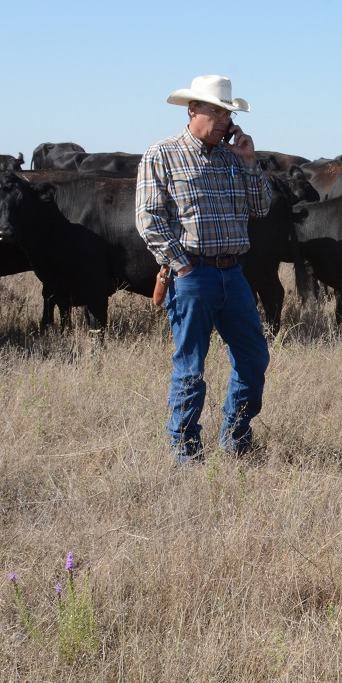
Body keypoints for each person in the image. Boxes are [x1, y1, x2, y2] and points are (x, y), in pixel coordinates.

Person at [136, 75, 274, 462]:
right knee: (191, 367)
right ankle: (185, 450)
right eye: (216, 111)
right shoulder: (162, 154)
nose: (223, 120)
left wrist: (250, 162)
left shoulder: (234, 158)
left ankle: (236, 436)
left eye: (228, 113)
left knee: (254, 359)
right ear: (192, 109)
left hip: (233, 273)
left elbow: (261, 207)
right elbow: (148, 219)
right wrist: (181, 267)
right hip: (192, 275)